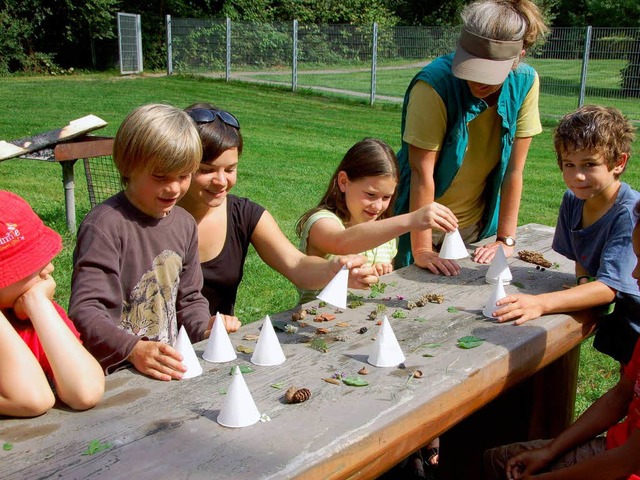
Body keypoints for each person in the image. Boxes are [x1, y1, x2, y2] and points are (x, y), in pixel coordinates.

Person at [69, 103, 240, 382]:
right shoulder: (105, 226)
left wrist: (205, 327)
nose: (174, 188)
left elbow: (189, 298)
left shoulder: (184, 224)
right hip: (113, 375)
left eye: (184, 176)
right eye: (160, 176)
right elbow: (85, 311)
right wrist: (133, 349)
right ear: (128, 166)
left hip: (166, 368)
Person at [177, 103, 379, 320]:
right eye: (207, 170)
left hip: (214, 348)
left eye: (230, 169)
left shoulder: (243, 214)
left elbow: (297, 264)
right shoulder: (153, 216)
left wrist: (333, 270)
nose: (221, 181)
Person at [483, 201, 640, 480]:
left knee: (497, 464)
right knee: (499, 458)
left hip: (624, 465)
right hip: (618, 451)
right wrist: (550, 450)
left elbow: (626, 462)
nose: (634, 274)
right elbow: (621, 395)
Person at [394, 0, 548, 276]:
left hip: (475, 227)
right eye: (471, 67)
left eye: (489, 73)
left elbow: (514, 170)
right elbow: (421, 172)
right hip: (415, 224)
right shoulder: (433, 85)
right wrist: (422, 249)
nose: (478, 81)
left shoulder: (526, 82)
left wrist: (505, 239)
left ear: (518, 57)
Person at [493, 105, 640, 366]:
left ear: (619, 162)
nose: (577, 176)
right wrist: (584, 278)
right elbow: (580, 249)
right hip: (622, 311)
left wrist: (540, 303)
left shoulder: (628, 214)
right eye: (569, 164)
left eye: (589, 164)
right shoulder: (574, 199)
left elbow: (608, 288)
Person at [296, 137, 458, 304]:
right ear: (343, 182)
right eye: (370, 195)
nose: (377, 206)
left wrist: (380, 273)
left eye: (386, 197)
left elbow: (371, 285)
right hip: (313, 320)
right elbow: (341, 243)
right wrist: (412, 219)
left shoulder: (384, 233)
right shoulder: (321, 222)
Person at [0, 191, 104, 417]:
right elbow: (32, 399)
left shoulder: (33, 310)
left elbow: (85, 391)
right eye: (30, 264)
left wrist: (37, 302)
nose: (49, 269)